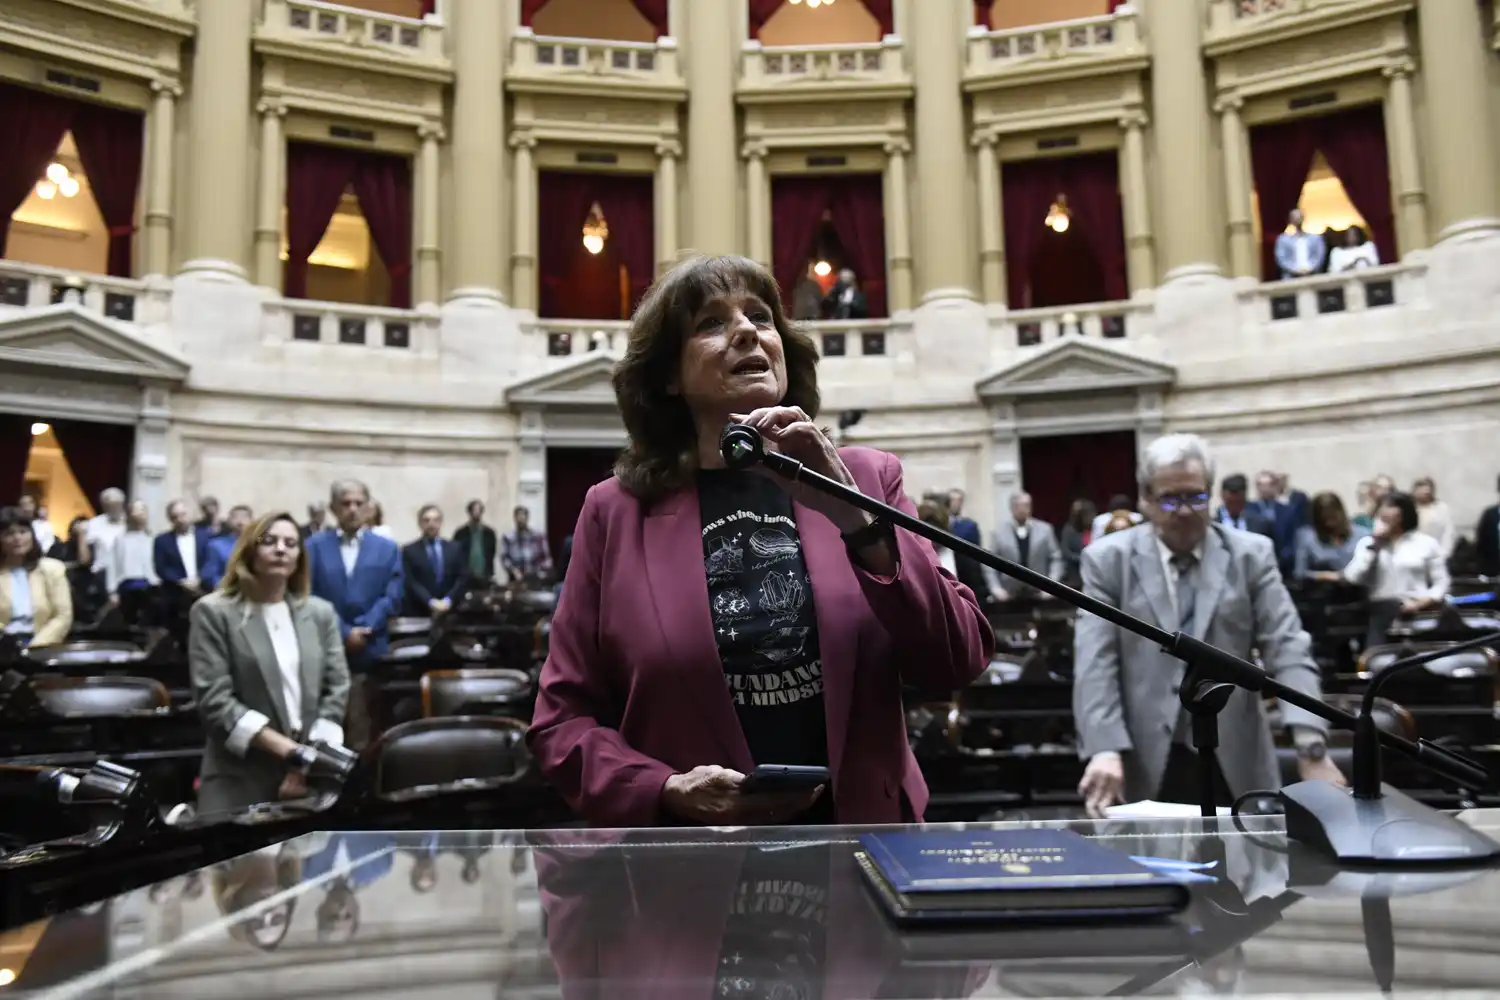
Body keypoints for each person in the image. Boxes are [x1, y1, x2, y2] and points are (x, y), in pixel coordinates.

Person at [526, 255, 993, 828]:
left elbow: (957, 659)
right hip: (695, 860)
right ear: (669, 376)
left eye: (761, 316)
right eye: (711, 322)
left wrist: (857, 520)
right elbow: (560, 723)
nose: (747, 330)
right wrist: (663, 788)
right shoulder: (615, 512)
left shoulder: (868, 479)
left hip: (863, 844)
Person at [1073, 434, 1340, 815]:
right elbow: (1095, 661)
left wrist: (1310, 746)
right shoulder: (1107, 560)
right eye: (1170, 499)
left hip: (1235, 754)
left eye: (1196, 497)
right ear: (1146, 499)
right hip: (1141, 757)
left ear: (1211, 493)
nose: (1184, 511)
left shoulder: (1251, 555)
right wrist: (1104, 748)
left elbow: (1287, 646)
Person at [189, 511, 350, 814]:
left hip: (310, 778)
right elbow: (215, 700)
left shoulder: (320, 613)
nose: (280, 549)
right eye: (269, 541)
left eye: (290, 543)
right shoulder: (214, 612)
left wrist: (309, 761)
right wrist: (293, 754)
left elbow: (337, 687)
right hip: (240, 776)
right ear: (250, 550)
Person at [1343, 491, 1449, 650]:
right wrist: (1375, 545)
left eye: (1391, 508)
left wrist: (1421, 603)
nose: (1386, 513)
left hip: (1418, 611)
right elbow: (1353, 577)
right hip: (1381, 614)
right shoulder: (1368, 543)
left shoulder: (1426, 543)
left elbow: (1441, 583)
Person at [0, 505, 72, 647]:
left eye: (23, 532)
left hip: (42, 644)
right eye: (9, 534)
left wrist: (34, 647)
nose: (17, 538)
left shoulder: (53, 569)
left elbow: (62, 616)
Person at [1294, 492, 1366, 582]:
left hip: (1356, 585)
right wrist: (1325, 576)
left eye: (1333, 516)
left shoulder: (1361, 535)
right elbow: (1300, 573)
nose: (1329, 524)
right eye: (1325, 518)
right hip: (1321, 586)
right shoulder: (1307, 537)